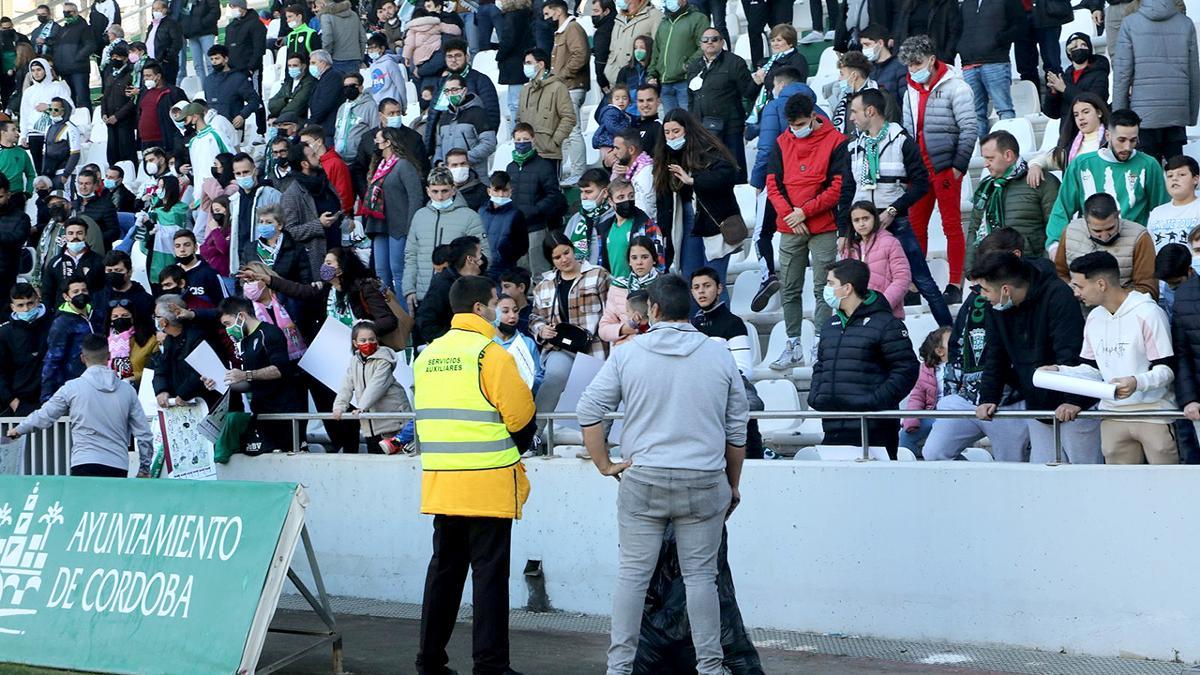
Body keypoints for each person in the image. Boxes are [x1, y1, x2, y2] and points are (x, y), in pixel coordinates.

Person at [575, 272, 745, 675]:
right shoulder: (718, 353)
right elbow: (737, 430)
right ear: (689, 309)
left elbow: (587, 411)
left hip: (644, 477)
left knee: (633, 577)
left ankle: (618, 668)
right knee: (701, 578)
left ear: (652, 310)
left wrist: (605, 465)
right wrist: (733, 485)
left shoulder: (628, 353)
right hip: (704, 480)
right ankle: (711, 667)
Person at [411, 275, 536, 675]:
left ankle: (429, 660)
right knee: (489, 579)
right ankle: (491, 665)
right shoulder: (490, 354)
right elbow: (522, 417)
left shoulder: (427, 355)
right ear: (480, 308)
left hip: (442, 483)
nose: (501, 305)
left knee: (443, 574)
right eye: (496, 301)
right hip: (488, 482)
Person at [973, 251, 1101, 463]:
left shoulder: (1057, 295)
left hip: (1076, 408)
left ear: (1006, 289)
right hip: (1036, 404)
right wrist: (988, 397)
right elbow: (996, 354)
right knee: (1043, 474)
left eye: (985, 289)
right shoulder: (996, 307)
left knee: (1086, 470)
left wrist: (1074, 401)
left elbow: (1070, 352)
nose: (982, 295)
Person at [838, 88, 950, 326]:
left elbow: (921, 184)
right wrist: (841, 232)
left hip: (894, 221)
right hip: (859, 225)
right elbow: (847, 192)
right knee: (857, 284)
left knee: (923, 281)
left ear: (871, 111)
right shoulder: (853, 147)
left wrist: (893, 210)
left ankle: (951, 337)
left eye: (855, 112)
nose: (851, 118)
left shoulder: (902, 141)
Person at [1054, 251, 1179, 463]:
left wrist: (1136, 382)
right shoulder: (1094, 318)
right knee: (1120, 487)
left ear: (1101, 284)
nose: (1075, 293)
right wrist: (1059, 370)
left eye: (1079, 286)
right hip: (1112, 415)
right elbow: (1092, 369)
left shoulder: (1148, 313)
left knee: (1165, 485)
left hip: (1154, 414)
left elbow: (1166, 370)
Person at [923, 227, 1032, 462]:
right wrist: (954, 391)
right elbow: (956, 344)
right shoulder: (973, 298)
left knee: (1011, 466)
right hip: (967, 399)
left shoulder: (1027, 297)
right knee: (933, 453)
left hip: (1007, 402)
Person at [766, 93, 848, 370]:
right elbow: (773, 184)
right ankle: (793, 343)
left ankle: (819, 343)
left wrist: (805, 211)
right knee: (789, 287)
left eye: (800, 123)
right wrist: (791, 215)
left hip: (823, 226)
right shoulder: (781, 142)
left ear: (813, 115)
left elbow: (837, 187)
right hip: (791, 225)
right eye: (791, 124)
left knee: (823, 288)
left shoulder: (836, 141)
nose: (795, 129)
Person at [808, 259, 918, 457]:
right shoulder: (830, 325)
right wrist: (817, 396)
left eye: (830, 283)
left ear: (847, 288)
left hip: (874, 429)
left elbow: (907, 369)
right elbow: (821, 365)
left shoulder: (886, 324)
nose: (826, 288)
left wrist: (874, 402)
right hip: (834, 427)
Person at [899, 34, 978, 306]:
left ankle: (955, 282)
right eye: (909, 65)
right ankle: (914, 283)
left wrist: (958, 166)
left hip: (945, 167)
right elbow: (908, 130)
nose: (913, 69)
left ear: (931, 60)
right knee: (915, 226)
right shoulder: (909, 87)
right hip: (918, 170)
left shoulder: (956, 86)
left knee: (951, 226)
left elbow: (970, 127)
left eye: (917, 63)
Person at [9, 334, 152, 477]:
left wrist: (19, 429)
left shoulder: (72, 388)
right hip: (117, 464)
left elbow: (45, 415)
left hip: (84, 461)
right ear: (109, 356)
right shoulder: (128, 391)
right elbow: (144, 433)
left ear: (82, 358)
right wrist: (144, 468)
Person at [748, 68, 824, 310]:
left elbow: (766, 147)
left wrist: (758, 181)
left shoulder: (773, 106)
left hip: (778, 180)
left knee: (762, 233)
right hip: (811, 184)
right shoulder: (816, 108)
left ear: (779, 86)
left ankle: (768, 276)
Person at [530, 231, 612, 447]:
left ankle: (600, 439)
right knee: (555, 376)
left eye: (566, 253)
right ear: (551, 260)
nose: (564, 259)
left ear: (573, 250)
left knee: (598, 390)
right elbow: (534, 317)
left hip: (594, 346)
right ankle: (533, 434)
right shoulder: (544, 285)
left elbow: (611, 310)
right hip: (560, 347)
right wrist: (541, 330)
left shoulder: (598, 275)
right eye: (557, 257)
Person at [1046, 109, 1169, 250]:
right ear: (1108, 135)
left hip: (1134, 245)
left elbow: (1161, 209)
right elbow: (1063, 207)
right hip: (1089, 244)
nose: (1127, 147)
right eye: (1121, 140)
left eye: (1133, 140)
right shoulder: (1082, 164)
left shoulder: (1149, 164)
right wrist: (1054, 245)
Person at [656, 109, 741, 296]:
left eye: (676, 131)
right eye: (667, 132)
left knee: (712, 283)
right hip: (685, 221)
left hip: (714, 222)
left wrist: (694, 181)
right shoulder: (665, 155)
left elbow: (727, 176)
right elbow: (662, 195)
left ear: (687, 129)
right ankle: (696, 324)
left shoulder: (708, 148)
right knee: (690, 280)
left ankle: (720, 324)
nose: (671, 137)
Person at [1112, 0, 1200, 163]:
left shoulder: (1130, 23)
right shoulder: (1185, 24)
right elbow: (1194, 73)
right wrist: (1191, 115)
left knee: (1147, 175)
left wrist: (1118, 117)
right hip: (1176, 110)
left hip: (1143, 113)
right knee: (1177, 173)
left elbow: (1122, 74)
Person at [966, 130, 1060, 273]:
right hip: (992, 271)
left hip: (1032, 269)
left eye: (990, 159)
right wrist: (971, 270)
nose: (985, 164)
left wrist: (1044, 268)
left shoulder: (1042, 181)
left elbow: (1056, 228)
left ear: (1008, 155)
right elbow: (974, 229)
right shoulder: (985, 188)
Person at [404, 167, 488, 309]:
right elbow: (411, 254)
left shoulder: (470, 217)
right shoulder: (419, 216)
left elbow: (483, 257)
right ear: (428, 191)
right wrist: (409, 289)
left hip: (457, 296)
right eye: (435, 191)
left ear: (453, 190)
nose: (440, 197)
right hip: (424, 295)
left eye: (445, 191)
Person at [361, 128, 426, 303]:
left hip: (399, 226)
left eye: (377, 139)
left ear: (388, 142)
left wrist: (412, 225)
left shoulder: (403, 165)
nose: (375, 143)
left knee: (398, 270)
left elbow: (415, 196)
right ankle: (390, 315)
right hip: (379, 224)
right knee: (381, 272)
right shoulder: (379, 165)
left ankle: (406, 315)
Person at [1054, 192, 1158, 298]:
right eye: (1097, 231)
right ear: (1085, 220)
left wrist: (1109, 298)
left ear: (1118, 215)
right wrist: (1075, 292)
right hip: (1078, 307)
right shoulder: (1070, 231)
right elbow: (1059, 274)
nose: (1104, 236)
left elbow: (1147, 288)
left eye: (1110, 228)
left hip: (1121, 311)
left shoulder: (1139, 237)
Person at [685, 28, 756, 180]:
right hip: (703, 129)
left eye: (714, 39)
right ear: (701, 44)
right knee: (708, 172)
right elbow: (691, 97)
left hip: (730, 127)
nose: (710, 42)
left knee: (735, 171)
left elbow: (748, 92)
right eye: (706, 40)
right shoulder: (694, 66)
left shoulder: (735, 62)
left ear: (722, 42)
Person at [333, 321, 412, 454]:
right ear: (355, 343)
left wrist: (361, 407)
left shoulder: (384, 360)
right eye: (363, 340)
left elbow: (377, 386)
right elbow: (346, 385)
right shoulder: (354, 361)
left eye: (372, 339)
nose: (368, 343)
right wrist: (339, 407)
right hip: (370, 424)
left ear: (377, 340)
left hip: (392, 421)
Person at [508, 123, 567, 278]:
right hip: (517, 229)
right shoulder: (510, 168)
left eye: (525, 139)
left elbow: (553, 196)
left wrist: (534, 211)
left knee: (539, 271)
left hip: (537, 227)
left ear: (533, 140)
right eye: (518, 139)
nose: (521, 143)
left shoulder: (544, 166)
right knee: (522, 272)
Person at [957, 0, 1022, 135]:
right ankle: (983, 154)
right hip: (969, 64)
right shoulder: (966, 3)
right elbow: (958, 29)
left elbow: (1020, 25)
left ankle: (1006, 150)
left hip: (996, 61)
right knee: (975, 114)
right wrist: (961, 47)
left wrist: (999, 40)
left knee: (1004, 109)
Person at [545, 0, 589, 185]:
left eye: (548, 13)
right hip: (565, 87)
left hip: (572, 86)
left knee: (572, 130)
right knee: (566, 131)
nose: (546, 18)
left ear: (558, 11)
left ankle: (579, 173)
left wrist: (561, 76)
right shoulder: (562, 31)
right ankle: (569, 172)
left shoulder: (572, 29)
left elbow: (581, 54)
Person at [841, 201, 910, 319]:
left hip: (887, 314)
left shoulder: (891, 243)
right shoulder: (849, 249)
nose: (861, 224)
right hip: (856, 316)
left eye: (865, 218)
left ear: (875, 219)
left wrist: (882, 304)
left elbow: (902, 278)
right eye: (856, 220)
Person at [1027, 93, 1110, 189]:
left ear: (1099, 113)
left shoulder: (1111, 140)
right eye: (1076, 115)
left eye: (1086, 112)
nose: (1081, 118)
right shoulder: (1069, 148)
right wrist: (1035, 166)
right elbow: (1043, 160)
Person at [416, 235, 487, 343]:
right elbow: (426, 321)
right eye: (480, 253)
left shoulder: (483, 279)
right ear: (470, 259)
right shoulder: (442, 284)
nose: (482, 258)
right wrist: (454, 340)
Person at [430, 76, 498, 179]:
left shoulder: (478, 113)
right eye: (447, 91)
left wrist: (463, 159)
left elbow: (489, 143)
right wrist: (439, 161)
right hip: (450, 177)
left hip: (475, 176)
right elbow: (439, 145)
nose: (451, 94)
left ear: (464, 90)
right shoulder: (444, 117)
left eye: (455, 90)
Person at [518, 47, 576, 167]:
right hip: (526, 154)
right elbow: (519, 119)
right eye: (524, 63)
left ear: (540, 64)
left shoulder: (558, 87)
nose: (525, 66)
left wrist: (554, 142)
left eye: (529, 63)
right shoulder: (525, 90)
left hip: (549, 155)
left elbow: (569, 118)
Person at [597, 235, 661, 344]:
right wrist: (625, 329)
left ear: (654, 259)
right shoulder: (618, 286)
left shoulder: (665, 285)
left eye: (644, 257)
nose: (639, 262)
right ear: (629, 261)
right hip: (626, 349)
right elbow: (603, 329)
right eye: (634, 258)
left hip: (659, 347)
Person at [0, 284, 53, 415]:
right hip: (20, 402)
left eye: (30, 303)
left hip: (53, 399)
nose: (26, 309)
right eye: (20, 305)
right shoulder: (4, 333)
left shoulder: (53, 324)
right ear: (13, 307)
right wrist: (13, 403)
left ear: (37, 300)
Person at [41, 275, 93, 402]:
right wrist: (46, 396)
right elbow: (52, 359)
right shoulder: (62, 323)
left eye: (84, 290)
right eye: (75, 292)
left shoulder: (97, 314)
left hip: (97, 382)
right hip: (73, 386)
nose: (81, 294)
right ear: (66, 296)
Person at [647, 0, 706, 113]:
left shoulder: (698, 18)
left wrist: (687, 65)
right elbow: (656, 52)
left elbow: (703, 47)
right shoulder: (664, 23)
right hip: (665, 85)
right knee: (671, 124)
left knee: (689, 124)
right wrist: (651, 74)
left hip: (685, 82)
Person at [227, 153, 282, 272]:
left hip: (267, 261)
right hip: (242, 261)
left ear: (255, 171)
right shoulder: (234, 200)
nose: (242, 176)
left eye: (246, 172)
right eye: (238, 173)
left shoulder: (272, 195)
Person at [900, 326, 950, 454]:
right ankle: (907, 467)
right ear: (939, 351)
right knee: (905, 436)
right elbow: (917, 397)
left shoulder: (962, 365)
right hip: (933, 414)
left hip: (956, 415)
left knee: (943, 447)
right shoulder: (926, 370)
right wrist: (911, 419)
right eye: (951, 341)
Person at [1042, 32, 1109, 123]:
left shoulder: (1099, 73)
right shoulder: (1064, 77)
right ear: (1069, 53)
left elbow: (1096, 101)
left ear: (1089, 49)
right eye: (1074, 47)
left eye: (1083, 45)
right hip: (1067, 132)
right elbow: (1052, 114)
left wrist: (1065, 89)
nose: (1079, 49)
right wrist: (1053, 93)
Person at [239, 204, 312, 284]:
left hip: (285, 295)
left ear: (280, 225)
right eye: (261, 222)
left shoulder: (296, 249)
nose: (264, 225)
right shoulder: (250, 248)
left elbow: (305, 281)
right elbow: (241, 277)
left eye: (268, 222)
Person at [19, 59, 70, 172]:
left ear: (46, 70)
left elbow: (70, 108)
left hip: (54, 132)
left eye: (39, 70)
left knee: (55, 168)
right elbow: (24, 114)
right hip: (34, 134)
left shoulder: (57, 87)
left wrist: (48, 107)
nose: (36, 73)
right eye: (33, 70)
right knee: (39, 169)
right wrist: (23, 135)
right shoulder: (29, 92)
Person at [41, 219, 103, 311]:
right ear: (65, 236)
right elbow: (47, 293)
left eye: (79, 233)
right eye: (70, 233)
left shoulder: (98, 261)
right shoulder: (55, 263)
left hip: (91, 312)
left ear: (85, 235)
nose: (75, 236)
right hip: (62, 313)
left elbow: (103, 290)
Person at [827, 50, 894, 136]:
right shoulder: (845, 101)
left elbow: (890, 128)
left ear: (854, 75)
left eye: (842, 74)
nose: (839, 79)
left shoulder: (883, 97)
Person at [205, 44, 260, 143]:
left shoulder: (238, 78)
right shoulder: (208, 80)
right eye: (212, 59)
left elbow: (255, 100)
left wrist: (242, 115)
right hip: (213, 130)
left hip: (233, 127)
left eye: (217, 58)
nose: (214, 62)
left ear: (225, 59)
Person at [480, 170, 528, 280]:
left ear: (510, 191)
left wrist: (505, 253)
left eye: (505, 190)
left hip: (504, 269)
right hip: (483, 268)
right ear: (489, 191)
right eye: (497, 190)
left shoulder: (516, 214)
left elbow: (522, 246)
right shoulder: (481, 212)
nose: (501, 194)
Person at [92, 250, 155, 333]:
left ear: (129, 272)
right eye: (109, 271)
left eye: (118, 270)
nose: (113, 274)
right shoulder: (98, 297)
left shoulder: (145, 299)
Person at [1147, 156, 1200, 251]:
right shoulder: (1157, 212)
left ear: (1195, 179)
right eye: (1170, 176)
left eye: (1181, 174)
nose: (1174, 179)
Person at [604, 0, 661, 89]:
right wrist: (608, 69)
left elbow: (658, 50)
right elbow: (613, 48)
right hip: (615, 79)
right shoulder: (620, 17)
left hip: (638, 80)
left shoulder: (654, 16)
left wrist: (651, 75)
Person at [48, 2, 94, 111]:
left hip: (78, 69)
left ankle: (87, 123)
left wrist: (76, 58)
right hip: (65, 70)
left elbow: (91, 45)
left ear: (76, 12)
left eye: (69, 12)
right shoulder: (63, 29)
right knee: (68, 99)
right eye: (64, 12)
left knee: (82, 99)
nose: (66, 14)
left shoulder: (84, 27)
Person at [494, 292, 544, 392]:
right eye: (505, 311)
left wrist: (528, 382)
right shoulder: (485, 342)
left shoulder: (527, 342)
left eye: (515, 310)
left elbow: (539, 377)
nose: (512, 315)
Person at [102, 298, 158, 387]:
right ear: (110, 320)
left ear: (133, 317)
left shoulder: (150, 340)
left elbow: (156, 369)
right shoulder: (103, 342)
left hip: (140, 390)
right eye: (115, 317)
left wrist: (133, 377)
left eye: (125, 315)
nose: (120, 319)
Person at [496, 0, 535, 123]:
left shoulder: (512, 17)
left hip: (514, 65)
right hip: (522, 62)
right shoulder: (527, 14)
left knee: (515, 105)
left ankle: (517, 135)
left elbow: (508, 40)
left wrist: (499, 56)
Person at [891, 0, 961, 64]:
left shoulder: (947, 2)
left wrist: (946, 58)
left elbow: (954, 33)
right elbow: (900, 32)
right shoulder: (908, 4)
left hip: (935, 59)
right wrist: (897, 59)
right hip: (910, 59)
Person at [610, 128, 656, 222]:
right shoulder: (631, 171)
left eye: (617, 148)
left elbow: (644, 210)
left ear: (631, 150)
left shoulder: (645, 174)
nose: (614, 152)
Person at [333, 72, 377, 167]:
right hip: (340, 158)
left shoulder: (370, 106)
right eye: (346, 86)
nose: (348, 89)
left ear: (360, 87)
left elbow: (375, 130)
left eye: (352, 85)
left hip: (360, 159)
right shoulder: (342, 108)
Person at [41, 98, 81, 190]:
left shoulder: (71, 128)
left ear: (64, 111)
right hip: (49, 173)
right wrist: (44, 173)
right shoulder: (48, 128)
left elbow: (75, 154)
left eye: (56, 110)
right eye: (50, 109)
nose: (52, 112)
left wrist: (66, 174)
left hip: (63, 173)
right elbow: (45, 153)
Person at [859, 24, 907, 101]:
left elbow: (905, 99)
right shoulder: (869, 69)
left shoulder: (900, 67)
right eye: (862, 45)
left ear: (880, 43)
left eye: (867, 44)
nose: (864, 49)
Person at [316, 0, 364, 73]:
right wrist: (360, 57)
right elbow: (363, 38)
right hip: (355, 58)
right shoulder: (354, 15)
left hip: (335, 59)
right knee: (353, 83)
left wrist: (326, 58)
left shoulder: (326, 16)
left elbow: (327, 39)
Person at [176, 0, 219, 80]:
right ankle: (202, 88)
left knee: (211, 62)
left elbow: (215, 12)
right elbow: (184, 14)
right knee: (198, 65)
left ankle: (214, 86)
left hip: (206, 33)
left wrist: (201, 23)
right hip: (192, 35)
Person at [268, 54, 316, 121]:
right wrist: (286, 100)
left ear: (304, 66)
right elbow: (271, 105)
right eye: (289, 66)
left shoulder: (309, 83)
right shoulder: (288, 83)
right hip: (283, 120)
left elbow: (297, 106)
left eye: (295, 65)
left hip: (297, 122)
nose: (292, 68)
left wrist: (277, 116)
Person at [364, 33, 407, 106]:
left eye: (374, 48)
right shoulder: (373, 65)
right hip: (378, 104)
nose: (371, 51)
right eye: (369, 48)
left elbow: (400, 84)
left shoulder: (389, 63)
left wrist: (404, 104)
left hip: (392, 103)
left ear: (382, 48)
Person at [594, 86, 634, 163]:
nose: (621, 101)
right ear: (611, 101)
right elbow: (611, 126)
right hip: (607, 143)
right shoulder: (611, 112)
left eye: (624, 98)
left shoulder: (624, 114)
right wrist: (626, 133)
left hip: (614, 143)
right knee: (614, 163)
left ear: (629, 101)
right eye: (617, 99)